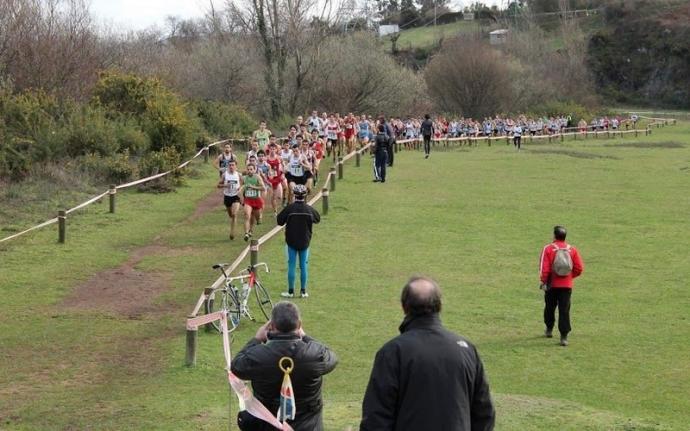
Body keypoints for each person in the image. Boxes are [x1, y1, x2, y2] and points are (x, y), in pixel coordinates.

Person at [360, 276, 495, 431]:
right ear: (440, 306)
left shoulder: (392, 352)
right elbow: (484, 412)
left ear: (404, 307)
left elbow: (377, 418)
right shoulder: (467, 350)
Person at [231, 301, 338, 431]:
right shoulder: (315, 355)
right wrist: (304, 336)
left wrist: (257, 339)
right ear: (299, 325)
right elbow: (331, 356)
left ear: (271, 326)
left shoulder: (258, 356)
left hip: (267, 425)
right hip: (309, 425)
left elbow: (237, 366)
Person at [539, 225, 584, 346]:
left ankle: (549, 329)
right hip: (567, 285)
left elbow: (545, 268)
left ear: (554, 235)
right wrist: (569, 277)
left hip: (552, 284)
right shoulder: (572, 250)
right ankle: (564, 337)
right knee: (564, 310)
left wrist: (543, 281)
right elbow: (579, 268)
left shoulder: (548, 249)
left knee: (549, 307)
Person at [277, 184, 320, 298]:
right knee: (303, 266)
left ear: (294, 195)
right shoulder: (309, 209)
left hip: (291, 241)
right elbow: (318, 218)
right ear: (305, 195)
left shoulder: (290, 208)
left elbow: (279, 221)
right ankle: (303, 291)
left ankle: (290, 291)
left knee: (291, 265)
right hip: (305, 241)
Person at [217, 160, 242, 240]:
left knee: (234, 214)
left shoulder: (239, 175)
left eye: (233, 165)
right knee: (231, 215)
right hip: (227, 196)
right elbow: (218, 185)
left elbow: (244, 183)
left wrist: (240, 188)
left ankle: (232, 233)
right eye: (230, 165)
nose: (231, 167)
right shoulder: (225, 175)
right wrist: (225, 185)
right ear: (228, 166)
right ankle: (233, 224)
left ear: (236, 166)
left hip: (236, 196)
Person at [240, 163, 265, 242]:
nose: (249, 171)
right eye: (248, 169)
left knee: (255, 217)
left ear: (254, 170)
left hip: (256, 199)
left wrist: (253, 187)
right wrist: (241, 197)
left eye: (251, 169)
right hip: (248, 200)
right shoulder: (244, 178)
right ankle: (246, 233)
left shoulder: (257, 177)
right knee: (247, 215)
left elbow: (263, 188)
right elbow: (241, 188)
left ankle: (251, 229)